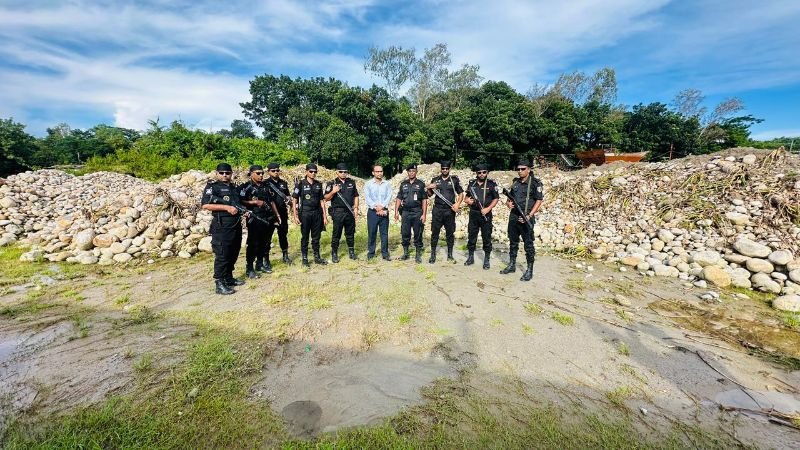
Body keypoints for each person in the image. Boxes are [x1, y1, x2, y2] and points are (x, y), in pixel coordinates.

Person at [200, 163, 248, 295]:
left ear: (231, 174)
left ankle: (228, 277)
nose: (225, 175)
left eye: (227, 173)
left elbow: (238, 204)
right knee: (222, 254)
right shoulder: (212, 187)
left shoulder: (233, 188)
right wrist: (226, 207)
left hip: (235, 224)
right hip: (222, 225)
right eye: (222, 173)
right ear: (217, 173)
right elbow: (205, 205)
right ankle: (219, 282)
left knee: (234, 251)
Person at [500, 159, 544, 281]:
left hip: (526, 217)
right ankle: (512, 265)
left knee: (528, 244)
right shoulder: (515, 183)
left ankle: (529, 270)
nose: (520, 171)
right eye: (518, 169)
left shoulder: (535, 183)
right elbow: (509, 198)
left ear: (529, 169)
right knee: (513, 242)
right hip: (514, 217)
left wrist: (529, 216)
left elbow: (539, 200)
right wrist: (508, 203)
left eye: (523, 169)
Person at [239, 165, 280, 278]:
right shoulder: (246, 187)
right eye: (258, 173)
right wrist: (254, 203)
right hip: (255, 219)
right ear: (251, 174)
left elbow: (271, 202)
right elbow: (240, 201)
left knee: (265, 242)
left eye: (262, 173)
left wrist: (277, 215)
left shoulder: (266, 186)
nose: (261, 175)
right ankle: (249, 268)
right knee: (253, 244)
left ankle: (260, 264)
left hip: (267, 218)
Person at [425, 161, 463, 263]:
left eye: (446, 168)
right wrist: (429, 188)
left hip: (449, 211)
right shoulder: (435, 180)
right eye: (443, 168)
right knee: (435, 233)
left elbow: (461, 194)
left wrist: (457, 204)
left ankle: (450, 255)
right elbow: (429, 195)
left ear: (449, 169)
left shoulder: (454, 180)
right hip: (437, 210)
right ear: (441, 169)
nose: (445, 170)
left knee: (450, 233)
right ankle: (433, 254)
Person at [463, 163, 499, 269]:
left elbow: (496, 198)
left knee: (486, 237)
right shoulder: (472, 184)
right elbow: (466, 197)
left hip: (486, 214)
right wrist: (466, 201)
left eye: (484, 172)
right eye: (479, 172)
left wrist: (488, 209)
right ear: (476, 173)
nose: (482, 174)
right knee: (472, 236)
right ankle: (470, 257)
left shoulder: (491, 184)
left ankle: (486, 259)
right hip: (474, 214)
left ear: (487, 172)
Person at [292, 163, 328, 267]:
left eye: (315, 172)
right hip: (305, 213)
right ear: (306, 172)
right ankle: (305, 258)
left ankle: (317, 257)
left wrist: (324, 216)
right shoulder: (300, 184)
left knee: (316, 237)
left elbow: (322, 201)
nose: (313, 173)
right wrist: (295, 216)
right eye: (311, 171)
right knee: (305, 236)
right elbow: (294, 200)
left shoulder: (318, 184)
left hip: (317, 213)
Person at [324, 163, 360, 262]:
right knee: (337, 233)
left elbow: (356, 196)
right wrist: (333, 191)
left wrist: (356, 208)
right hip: (338, 212)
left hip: (349, 211)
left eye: (345, 172)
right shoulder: (332, 183)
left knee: (350, 233)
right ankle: (334, 253)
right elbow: (326, 198)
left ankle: (351, 252)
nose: (343, 173)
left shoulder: (351, 182)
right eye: (341, 172)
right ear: (337, 172)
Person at [394, 163, 427, 263]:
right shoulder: (403, 184)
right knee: (405, 233)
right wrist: (396, 211)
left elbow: (424, 200)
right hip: (405, 212)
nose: (411, 173)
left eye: (413, 171)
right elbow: (399, 198)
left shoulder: (421, 184)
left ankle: (418, 254)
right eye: (410, 171)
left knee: (418, 233)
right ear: (407, 172)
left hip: (417, 212)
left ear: (416, 172)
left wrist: (424, 214)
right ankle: (406, 253)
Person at [265, 163, 293, 265]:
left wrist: (289, 200)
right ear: (268, 172)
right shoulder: (265, 183)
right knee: (268, 237)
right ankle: (266, 259)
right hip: (270, 214)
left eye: (277, 170)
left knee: (283, 235)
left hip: (282, 212)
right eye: (273, 171)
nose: (276, 172)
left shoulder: (283, 183)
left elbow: (288, 196)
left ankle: (285, 255)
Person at [363, 164, 393, 261]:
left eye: (381, 171)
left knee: (384, 233)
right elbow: (368, 198)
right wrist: (376, 208)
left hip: (384, 211)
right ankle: (371, 252)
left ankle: (385, 253)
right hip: (372, 212)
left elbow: (389, 196)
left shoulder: (387, 184)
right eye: (377, 171)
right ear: (373, 173)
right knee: (372, 233)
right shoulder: (368, 184)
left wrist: (382, 207)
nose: (379, 173)